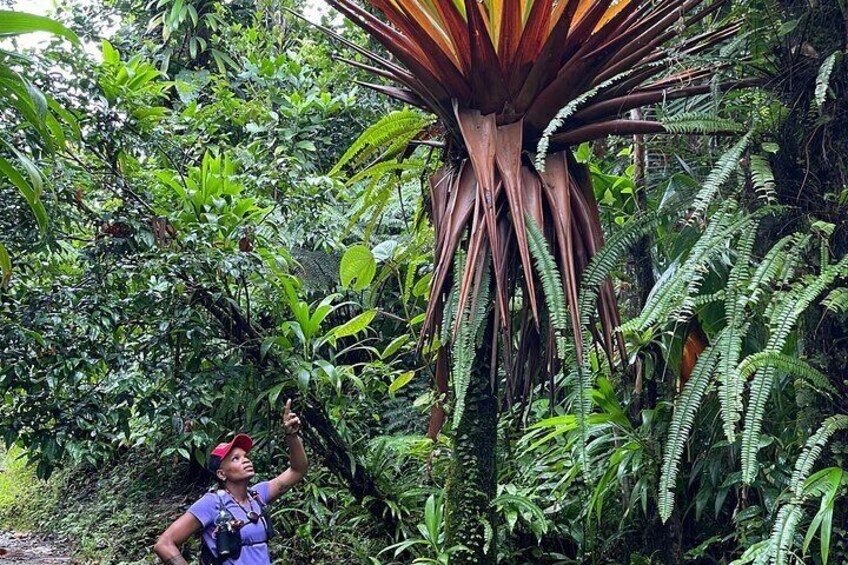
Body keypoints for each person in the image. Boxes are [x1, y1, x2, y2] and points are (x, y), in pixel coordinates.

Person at [154, 399, 308, 565]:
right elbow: (164, 544)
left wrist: (291, 435)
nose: (245, 461)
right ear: (221, 474)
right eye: (236, 459)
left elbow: (297, 470)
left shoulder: (257, 495)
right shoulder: (211, 503)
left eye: (245, 457)